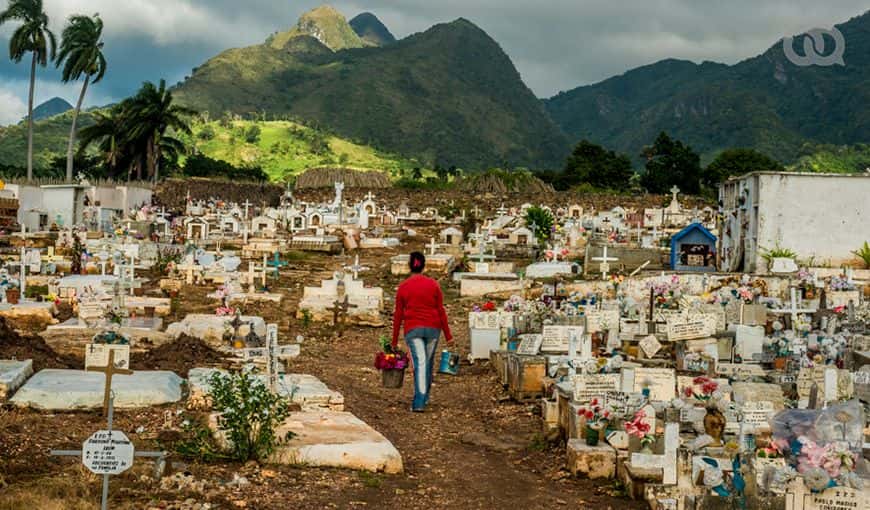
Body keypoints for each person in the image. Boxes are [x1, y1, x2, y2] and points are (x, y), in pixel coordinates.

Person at [391, 251, 453, 412]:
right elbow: (440, 310)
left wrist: (394, 340)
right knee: (427, 362)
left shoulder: (404, 287)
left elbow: (398, 315)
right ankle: (424, 397)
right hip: (433, 329)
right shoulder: (433, 284)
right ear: (424, 266)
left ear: (409, 266)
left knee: (420, 363)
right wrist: (448, 335)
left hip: (413, 330)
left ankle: (419, 401)